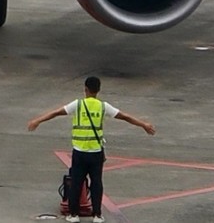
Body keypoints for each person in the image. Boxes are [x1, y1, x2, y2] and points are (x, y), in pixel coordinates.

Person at [27, 76, 155, 223]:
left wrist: (37, 120)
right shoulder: (103, 106)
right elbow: (124, 116)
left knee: (76, 183)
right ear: (98, 90)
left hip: (79, 152)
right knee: (96, 183)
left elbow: (56, 112)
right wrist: (143, 124)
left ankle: (74, 215)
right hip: (96, 153)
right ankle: (97, 215)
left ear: (85, 89)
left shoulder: (78, 105)